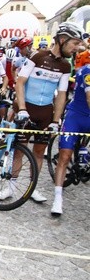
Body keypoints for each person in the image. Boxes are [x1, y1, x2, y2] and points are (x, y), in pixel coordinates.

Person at [5, 22, 87, 205]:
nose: (76, 48)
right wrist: (23, 109)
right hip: (28, 108)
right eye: (74, 43)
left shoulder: (66, 66)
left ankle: (31, 188)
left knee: (39, 153)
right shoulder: (37, 56)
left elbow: (62, 94)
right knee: (19, 150)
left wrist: (56, 120)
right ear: (63, 39)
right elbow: (20, 82)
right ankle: (11, 187)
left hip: (45, 112)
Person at [52, 64, 90, 215]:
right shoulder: (87, 71)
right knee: (65, 156)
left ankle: (83, 149)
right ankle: (57, 199)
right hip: (76, 117)